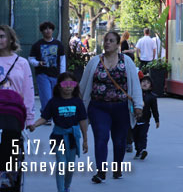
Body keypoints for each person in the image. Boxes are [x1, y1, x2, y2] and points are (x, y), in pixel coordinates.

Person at [79, 31, 143, 183]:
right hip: (98, 107)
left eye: (111, 40)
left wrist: (138, 105)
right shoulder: (94, 61)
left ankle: (117, 167)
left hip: (121, 107)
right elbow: (83, 86)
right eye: (106, 40)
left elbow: (135, 85)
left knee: (119, 140)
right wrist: (79, 104)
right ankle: (101, 171)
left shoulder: (126, 61)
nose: (107, 43)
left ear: (117, 44)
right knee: (101, 137)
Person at [30, 72, 88, 192]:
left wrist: (85, 140)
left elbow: (83, 121)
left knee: (70, 166)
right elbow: (45, 117)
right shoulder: (53, 102)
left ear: (75, 85)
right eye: (65, 83)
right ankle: (61, 189)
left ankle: (67, 186)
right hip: (58, 137)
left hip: (73, 137)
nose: (68, 86)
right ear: (59, 86)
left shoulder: (78, 102)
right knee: (61, 164)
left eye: (71, 83)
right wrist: (34, 125)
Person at [0, 25, 36, 189]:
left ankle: (9, 174)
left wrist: (30, 118)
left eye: (2, 36)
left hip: (13, 112)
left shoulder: (21, 63)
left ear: (11, 39)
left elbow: (28, 90)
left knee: (12, 140)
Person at [29, 21, 66, 117]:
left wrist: (62, 75)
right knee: (46, 96)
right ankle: (47, 116)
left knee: (55, 96)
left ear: (53, 30)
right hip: (42, 74)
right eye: (45, 29)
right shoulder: (37, 45)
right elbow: (31, 59)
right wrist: (38, 63)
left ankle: (46, 111)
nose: (47, 30)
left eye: (50, 28)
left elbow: (62, 60)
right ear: (42, 31)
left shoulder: (58, 44)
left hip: (56, 74)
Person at [133, 75, 159, 160]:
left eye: (148, 83)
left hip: (145, 119)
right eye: (143, 82)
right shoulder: (135, 94)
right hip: (135, 119)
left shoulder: (152, 97)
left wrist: (157, 120)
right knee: (135, 136)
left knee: (143, 135)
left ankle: (143, 149)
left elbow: (154, 109)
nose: (145, 84)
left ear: (151, 86)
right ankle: (138, 150)